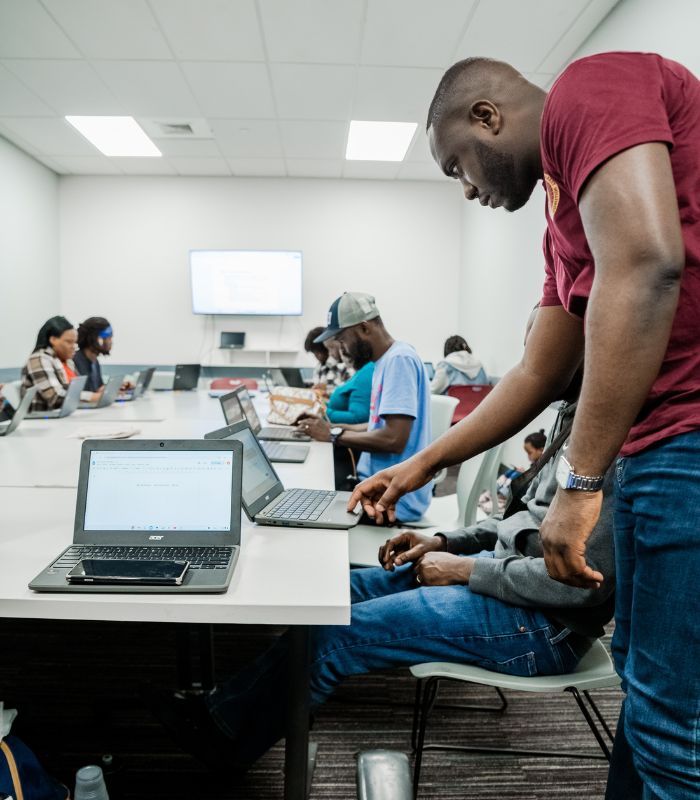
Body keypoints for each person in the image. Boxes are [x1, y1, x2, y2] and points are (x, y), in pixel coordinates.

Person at [349, 53, 700, 798]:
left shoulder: (592, 85)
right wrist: (416, 466)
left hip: (686, 435)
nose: (468, 189)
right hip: (653, 445)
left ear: (487, 116)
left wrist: (579, 483)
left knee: (675, 731)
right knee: (648, 700)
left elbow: (646, 267)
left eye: (457, 169)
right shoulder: (559, 215)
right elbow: (537, 374)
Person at [148, 377, 615, 776]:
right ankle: (226, 714)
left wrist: (466, 568)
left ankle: (226, 742)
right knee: (330, 595)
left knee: (334, 633)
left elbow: (577, 586)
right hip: (504, 587)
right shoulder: (570, 418)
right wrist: (444, 543)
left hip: (542, 627)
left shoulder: (611, 448)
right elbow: (521, 524)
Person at [299, 292, 432, 523]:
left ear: (364, 328)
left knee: (304, 509)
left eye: (342, 339)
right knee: (306, 492)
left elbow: (394, 439)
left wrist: (333, 434)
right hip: (375, 486)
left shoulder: (399, 360)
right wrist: (329, 426)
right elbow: (375, 426)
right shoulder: (384, 361)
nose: (342, 349)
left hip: (392, 500)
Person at [21, 316, 100, 412]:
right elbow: (55, 398)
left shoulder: (67, 361)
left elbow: (75, 392)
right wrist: (92, 397)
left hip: (66, 417)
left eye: (75, 342)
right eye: (69, 342)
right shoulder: (39, 359)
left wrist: (99, 394)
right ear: (53, 339)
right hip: (43, 421)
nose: (73, 347)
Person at [304, 326, 352, 396]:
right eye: (314, 353)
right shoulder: (319, 367)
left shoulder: (342, 367)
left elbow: (345, 391)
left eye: (318, 352)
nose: (318, 356)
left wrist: (327, 390)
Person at [74, 316, 113, 393]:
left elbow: (98, 390)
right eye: (108, 337)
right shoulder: (75, 361)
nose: (111, 341)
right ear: (95, 338)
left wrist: (115, 388)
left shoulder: (95, 362)